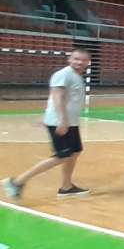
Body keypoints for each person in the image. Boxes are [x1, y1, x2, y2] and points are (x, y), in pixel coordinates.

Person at [3, 49, 91, 200]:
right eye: (76, 59)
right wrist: (61, 120)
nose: (79, 62)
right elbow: (57, 97)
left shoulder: (76, 76)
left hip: (71, 122)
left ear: (88, 62)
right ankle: (17, 182)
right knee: (62, 156)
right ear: (69, 59)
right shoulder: (63, 74)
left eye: (83, 60)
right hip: (61, 122)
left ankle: (66, 187)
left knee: (75, 152)